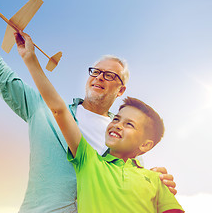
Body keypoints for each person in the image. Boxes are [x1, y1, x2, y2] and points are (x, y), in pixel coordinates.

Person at [0, 0, 177, 213]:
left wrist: (159, 180)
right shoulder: (42, 109)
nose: (99, 77)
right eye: (96, 71)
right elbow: (0, 75)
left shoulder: (123, 136)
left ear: (121, 90)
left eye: (110, 75)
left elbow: (134, 182)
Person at [14, 31, 184, 212]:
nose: (118, 124)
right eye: (117, 119)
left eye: (129, 124)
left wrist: (155, 178)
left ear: (145, 145)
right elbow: (59, 109)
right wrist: (30, 59)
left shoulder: (153, 179)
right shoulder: (89, 162)